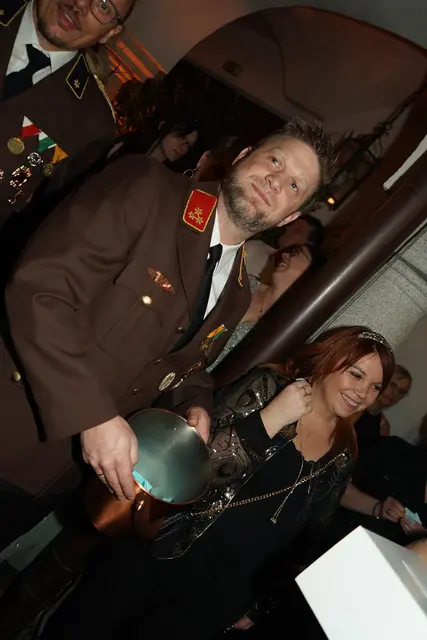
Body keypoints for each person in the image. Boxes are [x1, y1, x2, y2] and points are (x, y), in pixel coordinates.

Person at [0, 117, 333, 549]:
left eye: (293, 185)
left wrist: (194, 404)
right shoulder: (150, 189)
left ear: (290, 216)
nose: (275, 181)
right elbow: (40, 291)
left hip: (55, 477)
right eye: (275, 161)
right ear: (243, 156)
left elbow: (182, 364)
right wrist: (92, 417)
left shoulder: (236, 293)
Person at [38, 326, 395, 639]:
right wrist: (270, 420)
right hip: (161, 552)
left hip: (215, 598)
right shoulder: (269, 387)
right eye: (356, 375)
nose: (363, 393)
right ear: (329, 360)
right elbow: (192, 465)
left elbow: (307, 533)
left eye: (375, 387)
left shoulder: (345, 449)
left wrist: (258, 601)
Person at [0, 0, 136, 224]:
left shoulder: (91, 121)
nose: (80, 3)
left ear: (110, 32)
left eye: (103, 6)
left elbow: (33, 219)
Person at [208, 242, 321, 371]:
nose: (285, 255)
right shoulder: (242, 284)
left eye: (296, 253)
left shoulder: (281, 333)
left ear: (312, 274)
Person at [245, 213, 325, 278]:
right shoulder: (256, 247)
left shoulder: (295, 280)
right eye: (290, 225)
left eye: (297, 230)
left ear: (308, 245)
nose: (288, 229)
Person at [353, 363, 412, 449]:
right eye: (392, 385)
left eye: (401, 392)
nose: (394, 393)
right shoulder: (352, 405)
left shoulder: (383, 426)